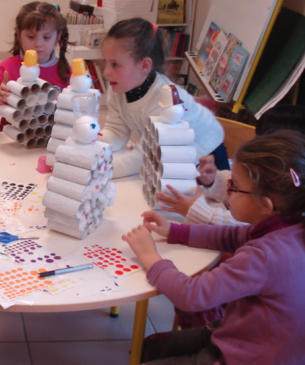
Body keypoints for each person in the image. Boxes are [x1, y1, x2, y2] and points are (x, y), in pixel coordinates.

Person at [122, 130, 305, 365]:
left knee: (146, 356)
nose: (227, 190)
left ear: (266, 205)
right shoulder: (288, 227)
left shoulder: (265, 256)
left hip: (248, 357)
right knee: (148, 348)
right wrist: (175, 231)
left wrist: (150, 258)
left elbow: (191, 295)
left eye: (234, 186)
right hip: (248, 335)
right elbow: (232, 235)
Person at [99, 17, 224, 178]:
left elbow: (144, 156)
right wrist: (91, 145)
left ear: (144, 65)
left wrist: (98, 169)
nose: (106, 72)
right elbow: (116, 131)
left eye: (115, 64)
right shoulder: (117, 87)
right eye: (106, 62)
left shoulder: (164, 98)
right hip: (167, 152)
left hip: (205, 153)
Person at [158, 104, 305, 225]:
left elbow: (241, 225)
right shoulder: (284, 180)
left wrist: (196, 211)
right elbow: (245, 188)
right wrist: (213, 181)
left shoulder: (288, 222)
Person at [0, 1, 71, 127]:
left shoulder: (68, 73)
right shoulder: (7, 69)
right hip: (13, 140)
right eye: (30, 37)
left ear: (58, 37)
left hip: (53, 140)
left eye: (46, 37)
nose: (38, 44)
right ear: (19, 35)